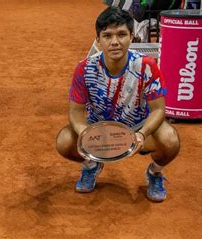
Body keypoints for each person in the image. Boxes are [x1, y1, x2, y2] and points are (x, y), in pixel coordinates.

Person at [56, 7, 180, 202]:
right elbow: (76, 114)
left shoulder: (147, 65)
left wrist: (141, 134)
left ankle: (155, 173)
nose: (115, 42)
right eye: (107, 36)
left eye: (121, 34)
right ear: (98, 40)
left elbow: (158, 110)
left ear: (132, 36)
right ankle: (91, 165)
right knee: (64, 141)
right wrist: (88, 137)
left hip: (138, 128)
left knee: (170, 139)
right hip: (99, 129)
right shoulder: (84, 69)